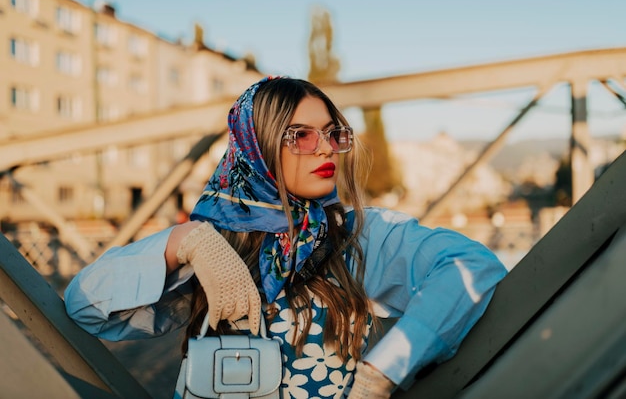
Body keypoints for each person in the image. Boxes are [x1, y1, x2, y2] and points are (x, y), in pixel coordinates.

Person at [64, 76, 508, 398]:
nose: (325, 147)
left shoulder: (359, 236)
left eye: (334, 133)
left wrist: (382, 373)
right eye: (301, 135)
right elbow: (85, 308)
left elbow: (472, 266)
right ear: (258, 144)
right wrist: (186, 242)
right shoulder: (216, 242)